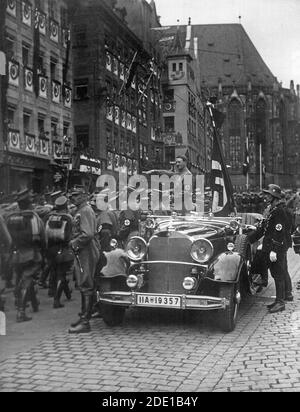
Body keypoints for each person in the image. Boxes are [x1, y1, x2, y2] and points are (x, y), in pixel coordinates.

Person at [249, 184, 292, 313]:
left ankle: (280, 302)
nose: (266, 196)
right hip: (270, 246)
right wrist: (248, 239)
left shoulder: (278, 211)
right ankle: (279, 300)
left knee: (278, 274)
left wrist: (274, 249)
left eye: (269, 195)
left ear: (274, 197)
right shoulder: (272, 210)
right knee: (275, 273)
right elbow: (263, 229)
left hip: (276, 248)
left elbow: (279, 231)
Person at [6, 189, 45, 322]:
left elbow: (7, 239)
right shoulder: (33, 217)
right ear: (29, 202)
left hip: (16, 255)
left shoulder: (10, 217)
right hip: (31, 254)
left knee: (21, 278)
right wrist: (43, 253)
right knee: (27, 280)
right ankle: (21, 312)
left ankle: (32, 303)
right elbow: (41, 237)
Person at [68, 187, 100, 334]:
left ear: (83, 196)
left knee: (86, 283)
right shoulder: (81, 210)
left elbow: (87, 234)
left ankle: (85, 322)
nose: (72, 198)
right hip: (83, 251)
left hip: (86, 251)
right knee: (83, 283)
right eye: (72, 195)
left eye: (76, 195)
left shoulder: (85, 210)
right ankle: (83, 317)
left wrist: (75, 243)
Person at [45, 196, 74, 309]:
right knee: (62, 274)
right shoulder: (68, 218)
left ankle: (66, 293)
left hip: (51, 249)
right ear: (66, 206)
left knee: (56, 271)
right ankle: (56, 300)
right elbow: (72, 234)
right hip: (64, 249)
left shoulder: (49, 217)